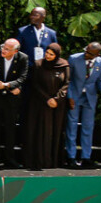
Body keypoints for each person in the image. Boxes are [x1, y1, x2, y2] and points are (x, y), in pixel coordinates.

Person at [23, 42, 69, 171]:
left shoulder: (64, 65)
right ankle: (38, 160)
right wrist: (47, 99)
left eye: (51, 54)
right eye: (47, 53)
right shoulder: (38, 64)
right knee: (40, 131)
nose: (48, 56)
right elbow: (35, 84)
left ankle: (53, 160)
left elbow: (66, 83)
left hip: (57, 106)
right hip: (40, 104)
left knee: (54, 131)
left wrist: (57, 99)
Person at [0, 39, 30, 168]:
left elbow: (23, 77)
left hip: (11, 99)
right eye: (3, 47)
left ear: (15, 51)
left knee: (10, 130)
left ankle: (10, 159)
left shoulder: (23, 58)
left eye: (7, 49)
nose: (3, 51)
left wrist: (7, 85)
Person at [65, 42, 101, 168]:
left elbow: (100, 82)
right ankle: (71, 157)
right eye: (86, 50)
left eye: (89, 53)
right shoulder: (74, 59)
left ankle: (86, 157)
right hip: (75, 96)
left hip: (90, 97)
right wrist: (70, 96)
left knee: (88, 128)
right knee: (71, 127)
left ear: (97, 54)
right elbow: (68, 79)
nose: (86, 54)